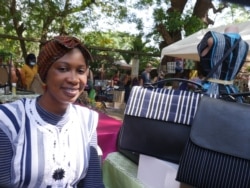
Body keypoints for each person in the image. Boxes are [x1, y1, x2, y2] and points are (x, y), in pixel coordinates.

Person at [0, 36, 104, 187]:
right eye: (63, 69)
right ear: (44, 74)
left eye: (80, 70)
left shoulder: (87, 120)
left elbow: (93, 183)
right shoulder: (9, 120)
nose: (74, 79)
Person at [197, 25, 249, 101]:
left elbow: (201, 52)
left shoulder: (213, 39)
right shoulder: (245, 46)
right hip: (232, 93)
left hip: (210, 92)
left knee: (206, 110)